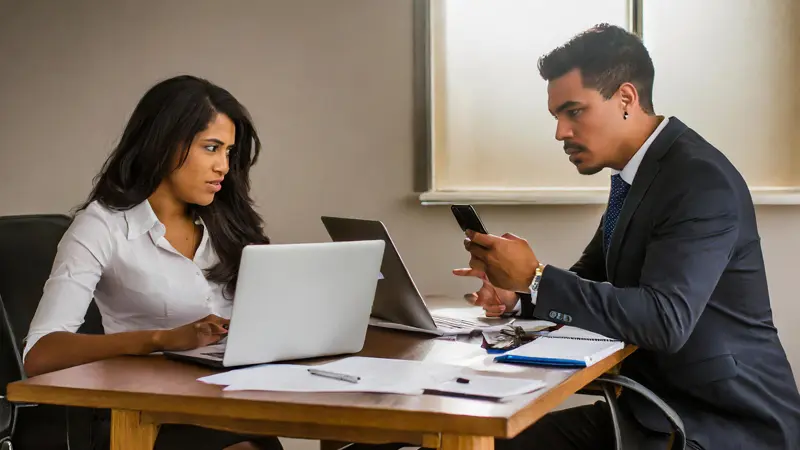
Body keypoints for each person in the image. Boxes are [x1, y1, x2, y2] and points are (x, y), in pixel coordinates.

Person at [457, 24, 800, 449]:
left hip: (725, 424)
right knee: (487, 441)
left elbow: (664, 320)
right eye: (557, 117)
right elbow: (592, 276)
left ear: (625, 99)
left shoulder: (698, 180)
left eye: (574, 112)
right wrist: (518, 294)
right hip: (655, 410)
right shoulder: (638, 176)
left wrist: (537, 277)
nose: (560, 132)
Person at [22, 75, 281, 450]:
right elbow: (40, 354)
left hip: (236, 403)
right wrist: (161, 339)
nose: (223, 166)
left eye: (228, 151)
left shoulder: (227, 223)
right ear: (165, 143)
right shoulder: (102, 226)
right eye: (211, 148)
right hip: (150, 415)